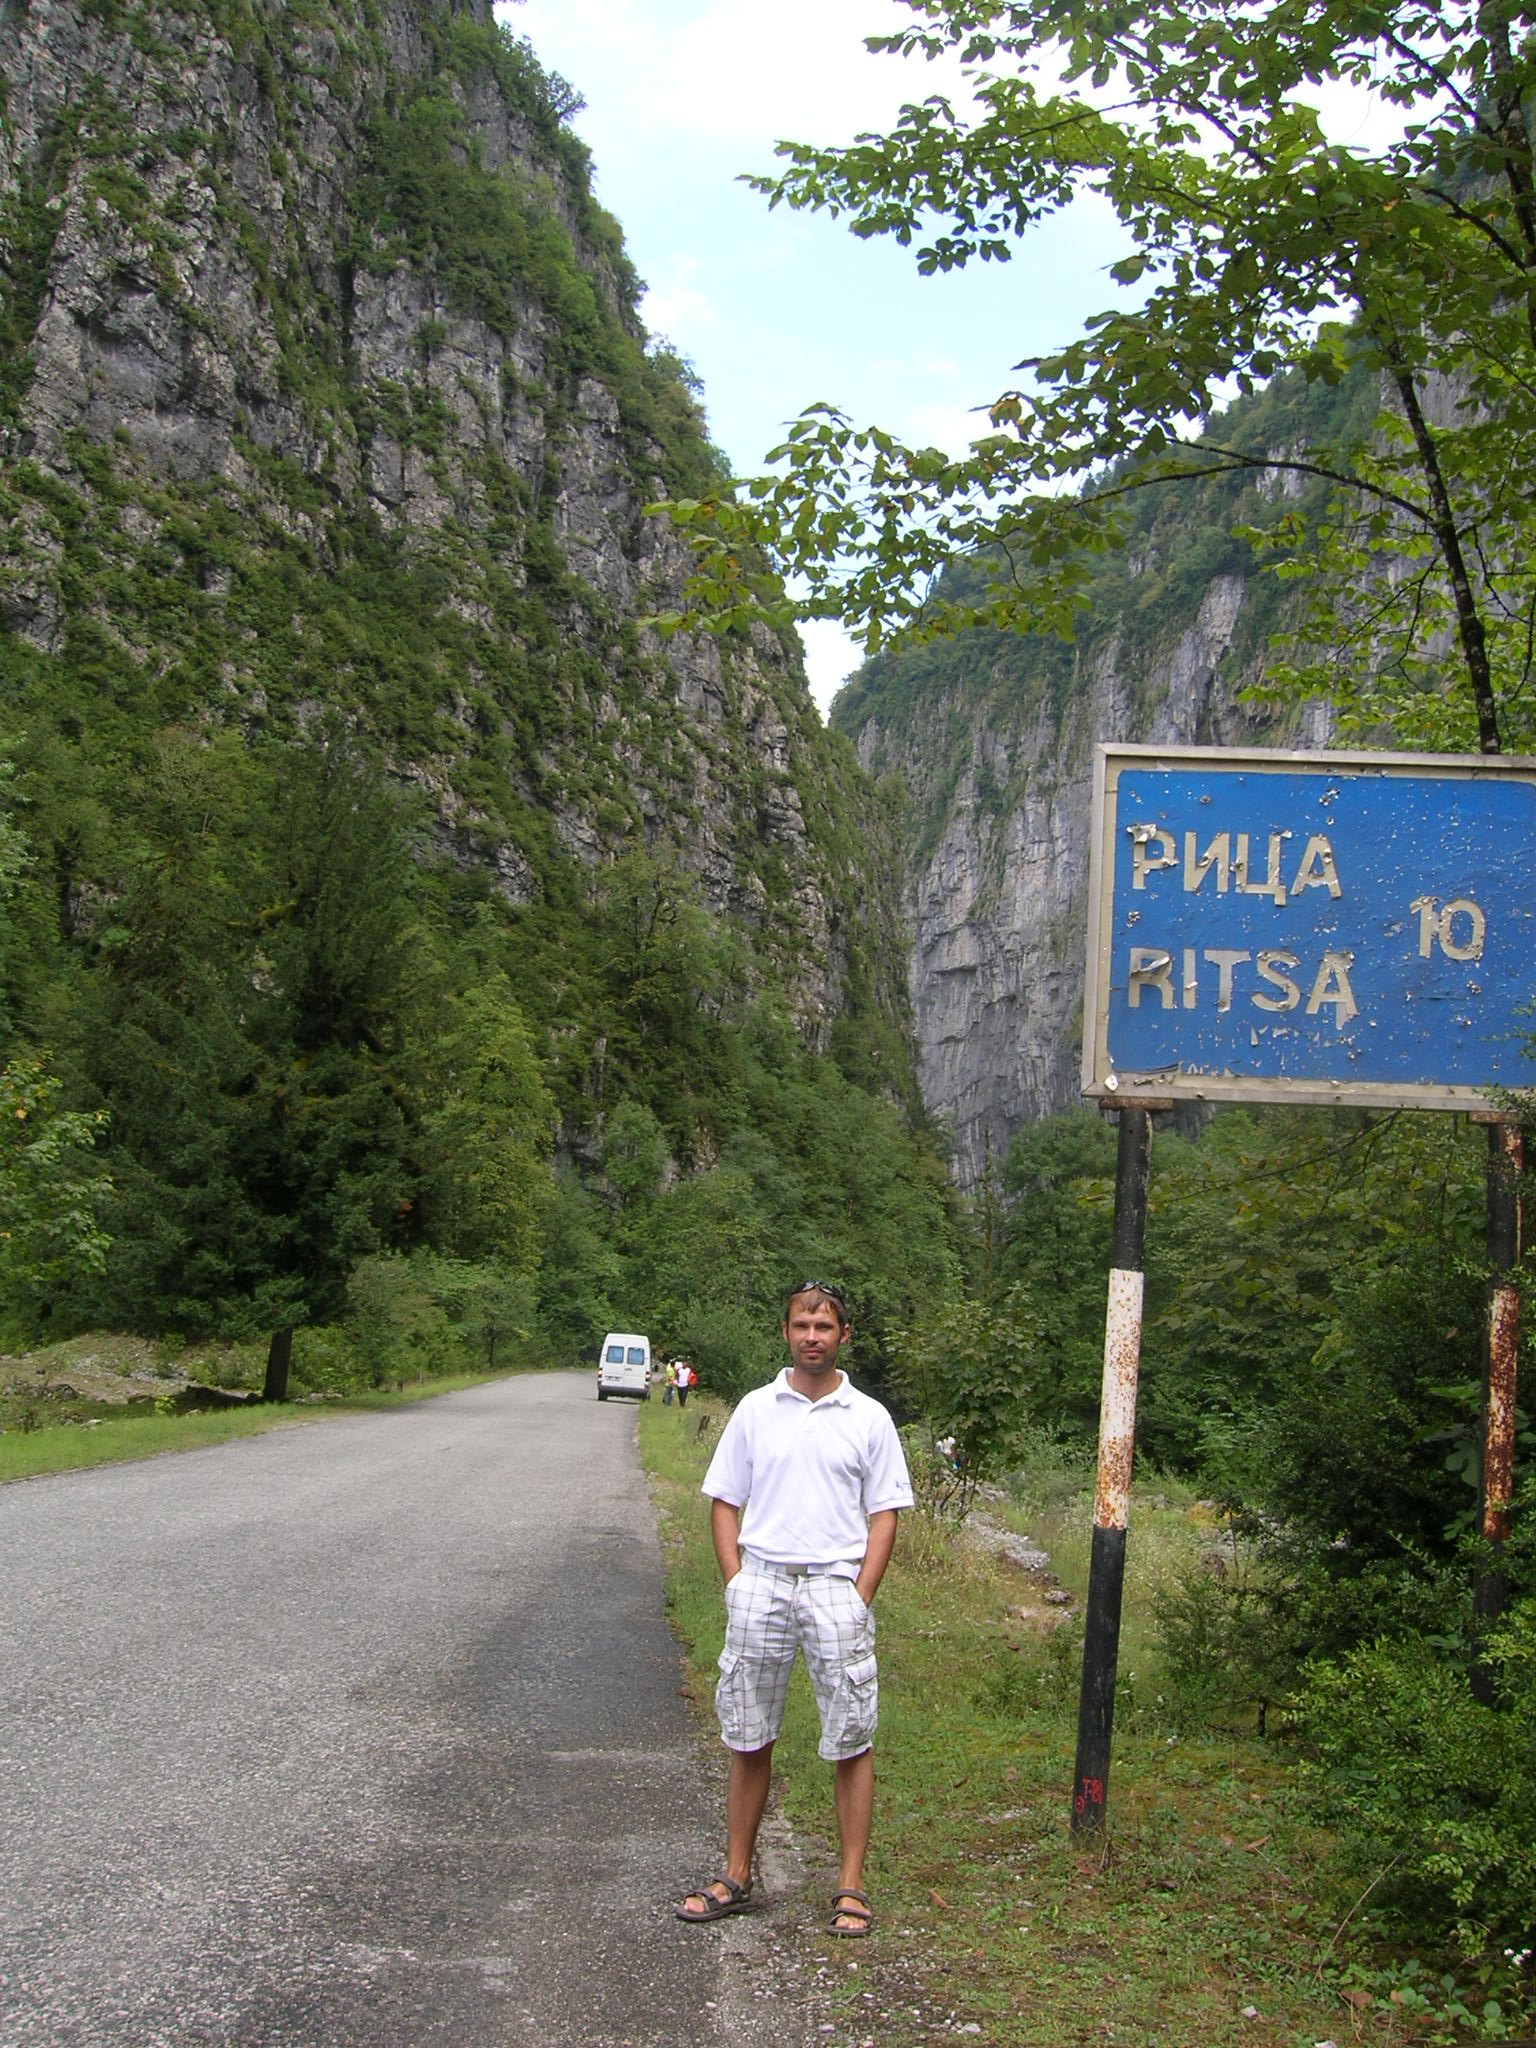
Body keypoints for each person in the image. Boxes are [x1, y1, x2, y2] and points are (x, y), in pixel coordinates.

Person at [676, 1280, 912, 1939]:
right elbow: (725, 1499)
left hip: (836, 1585)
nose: (813, 1335)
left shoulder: (868, 1417)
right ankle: (736, 1874)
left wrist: (860, 1595)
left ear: (843, 1337)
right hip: (764, 1581)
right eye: (802, 1324)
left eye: (825, 1326)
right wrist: (736, 1583)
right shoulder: (756, 1410)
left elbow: (885, 1513)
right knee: (748, 1733)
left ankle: (851, 1884)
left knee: (850, 1736)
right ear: (785, 1331)